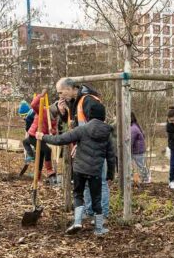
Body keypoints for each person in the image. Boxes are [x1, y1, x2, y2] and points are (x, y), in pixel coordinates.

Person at [37, 101, 116, 236]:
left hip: (79, 169)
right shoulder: (107, 133)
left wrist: (43, 136)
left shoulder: (82, 129)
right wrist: (110, 175)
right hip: (95, 171)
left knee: (78, 194)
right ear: (103, 117)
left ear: (90, 116)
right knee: (96, 198)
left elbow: (61, 139)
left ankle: (78, 221)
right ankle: (98, 229)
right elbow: (111, 157)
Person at [55, 78, 108, 220]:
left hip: (95, 149)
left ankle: (101, 215)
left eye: (61, 92)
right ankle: (90, 212)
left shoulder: (88, 100)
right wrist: (63, 113)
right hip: (85, 149)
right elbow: (74, 125)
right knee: (85, 183)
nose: (60, 96)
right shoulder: (75, 102)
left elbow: (96, 127)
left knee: (99, 181)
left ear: (70, 88)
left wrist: (79, 144)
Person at [26, 91, 57, 183]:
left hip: (41, 137)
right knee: (48, 150)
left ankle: (37, 177)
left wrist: (53, 131)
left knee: (40, 156)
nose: (53, 117)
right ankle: (49, 170)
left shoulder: (54, 119)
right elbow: (33, 104)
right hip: (33, 135)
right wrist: (41, 95)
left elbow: (54, 130)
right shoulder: (42, 110)